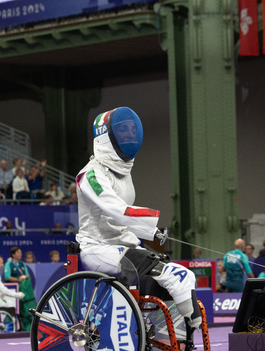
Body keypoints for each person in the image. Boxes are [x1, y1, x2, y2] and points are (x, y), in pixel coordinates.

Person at [76, 107, 202, 330]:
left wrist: (150, 233)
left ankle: (179, 341)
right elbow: (117, 209)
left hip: (125, 247)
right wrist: (152, 225)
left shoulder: (124, 173)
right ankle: (192, 326)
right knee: (176, 277)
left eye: (133, 129)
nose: (130, 134)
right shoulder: (90, 174)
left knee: (183, 275)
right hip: (99, 249)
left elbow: (122, 216)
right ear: (107, 135)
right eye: (123, 129)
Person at [4, 247, 36, 330]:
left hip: (23, 290)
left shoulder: (22, 263)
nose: (20, 254)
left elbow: (27, 275)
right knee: (14, 310)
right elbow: (7, 277)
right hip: (13, 291)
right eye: (18, 252)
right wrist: (18, 279)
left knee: (26, 307)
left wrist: (24, 277)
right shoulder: (9, 264)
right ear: (13, 254)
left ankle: (28, 327)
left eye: (20, 252)